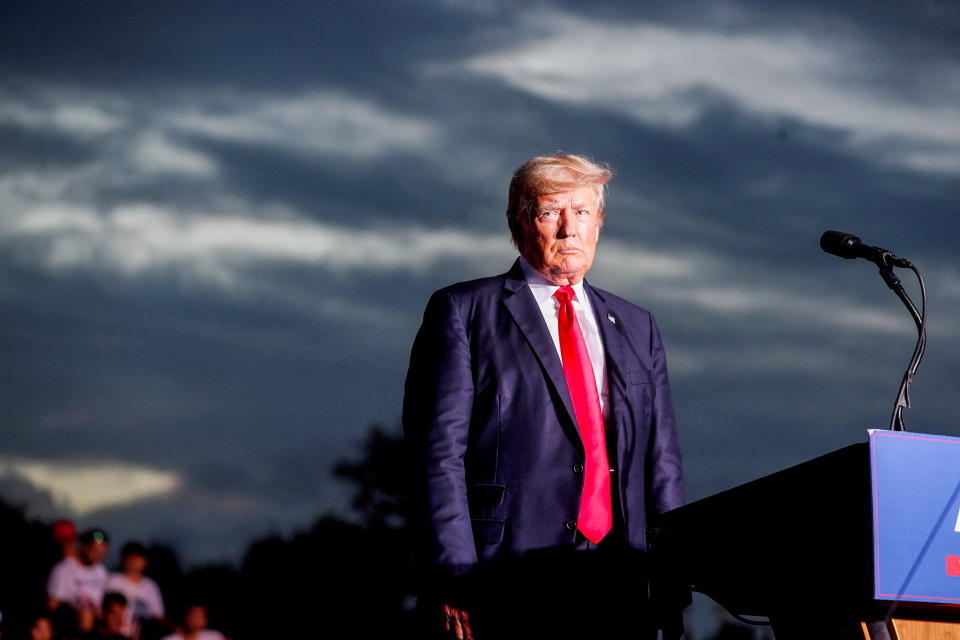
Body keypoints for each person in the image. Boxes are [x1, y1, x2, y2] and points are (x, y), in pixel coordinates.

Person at [403, 154, 687, 639]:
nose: (568, 230)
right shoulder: (464, 311)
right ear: (518, 222)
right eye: (550, 212)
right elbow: (438, 454)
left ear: (599, 224)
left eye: (581, 213)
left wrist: (674, 577)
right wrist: (453, 572)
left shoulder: (638, 325)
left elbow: (662, 463)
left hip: (620, 579)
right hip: (504, 578)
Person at [106, 542, 165, 639]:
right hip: (117, 634)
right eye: (130, 557)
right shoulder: (113, 580)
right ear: (123, 559)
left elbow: (158, 616)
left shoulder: (151, 586)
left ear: (145, 562)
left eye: (137, 558)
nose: (133, 561)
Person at [46, 529, 111, 614]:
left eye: (102, 552)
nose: (98, 555)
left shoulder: (101, 571)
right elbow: (53, 604)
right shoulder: (64, 569)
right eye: (95, 550)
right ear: (84, 547)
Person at [158, 605, 228, 640]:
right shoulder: (170, 639)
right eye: (193, 615)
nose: (195, 620)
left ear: (206, 621)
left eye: (199, 616)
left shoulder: (214, 636)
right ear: (186, 617)